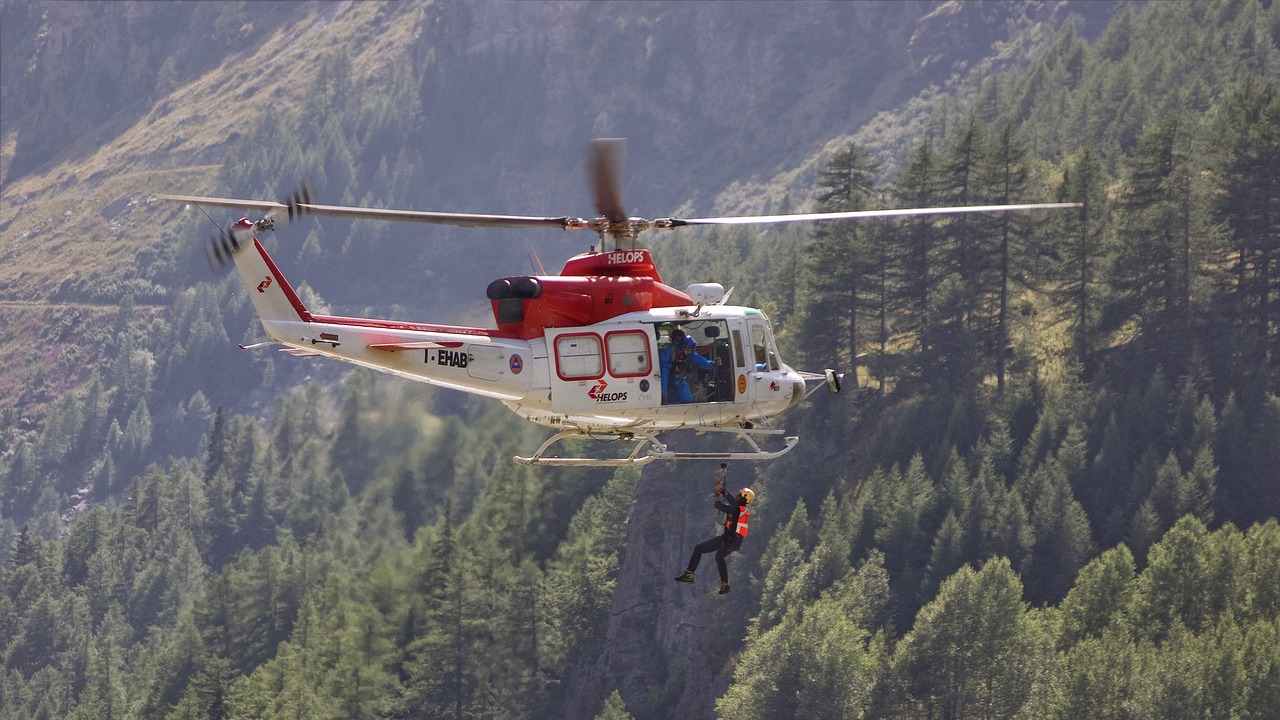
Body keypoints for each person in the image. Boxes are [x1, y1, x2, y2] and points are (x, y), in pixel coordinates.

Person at [675, 463, 755, 594]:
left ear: (742, 497)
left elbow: (728, 506)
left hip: (730, 539)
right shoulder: (742, 508)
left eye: (739, 494)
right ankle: (725, 584)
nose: (737, 495)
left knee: (700, 549)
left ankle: (690, 574)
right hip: (733, 541)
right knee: (718, 557)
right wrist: (722, 491)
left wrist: (718, 502)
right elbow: (731, 503)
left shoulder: (739, 508)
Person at [658, 326, 713, 404]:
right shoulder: (667, 354)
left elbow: (699, 360)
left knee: (686, 398)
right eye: (687, 349)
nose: (689, 352)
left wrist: (712, 364)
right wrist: (664, 395)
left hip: (679, 382)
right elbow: (664, 377)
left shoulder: (687, 352)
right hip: (670, 386)